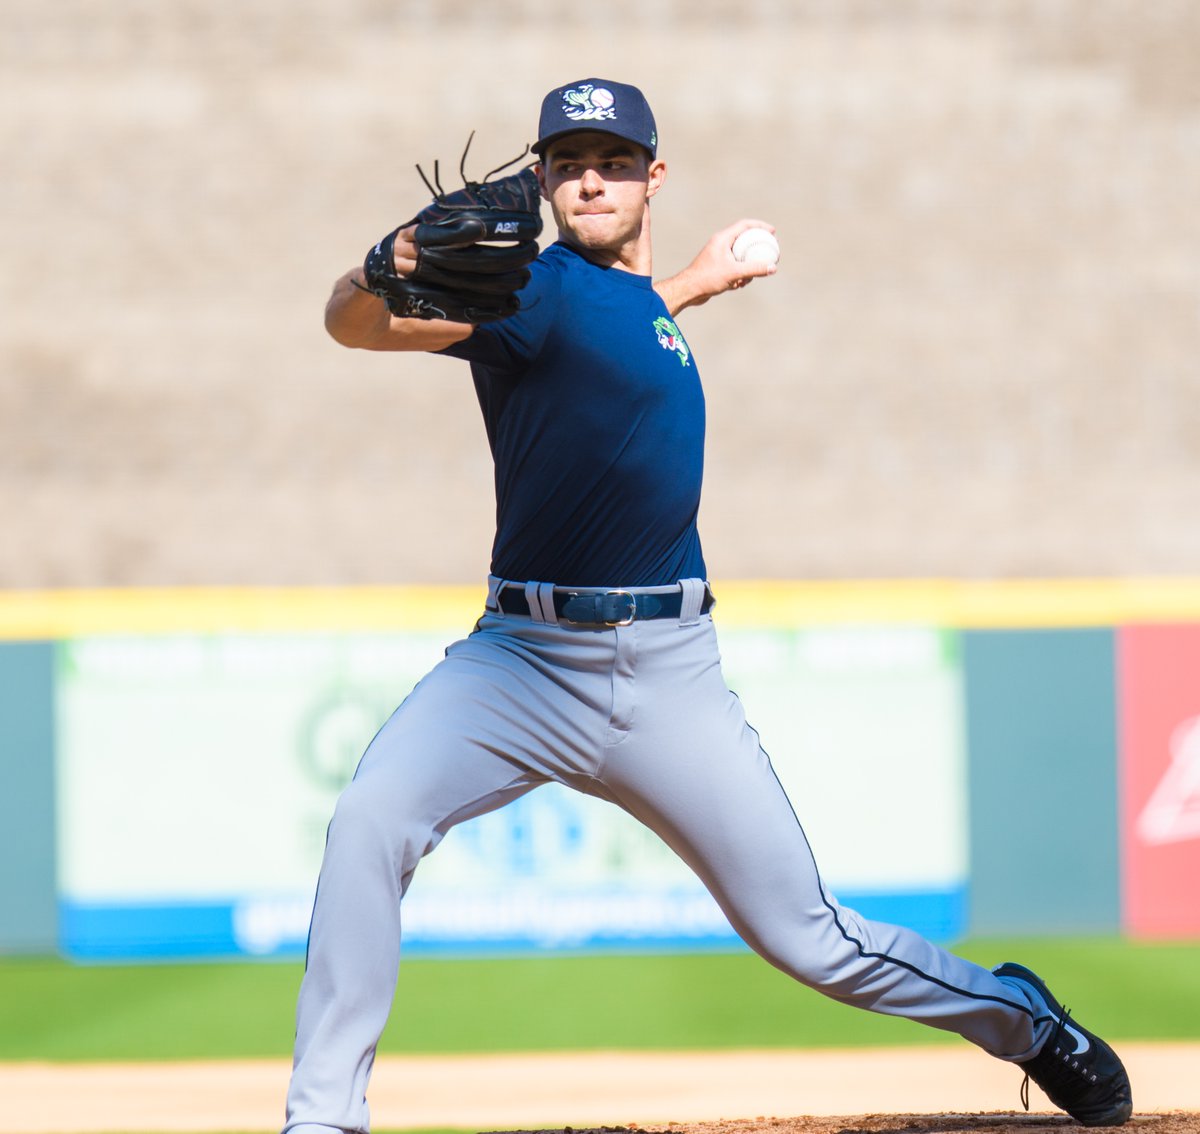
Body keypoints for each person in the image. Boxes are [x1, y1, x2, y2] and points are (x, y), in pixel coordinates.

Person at [284, 78, 1133, 1134]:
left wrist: (694, 280)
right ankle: (322, 1118)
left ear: (654, 176)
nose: (590, 180)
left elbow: (623, 323)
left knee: (811, 940)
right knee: (370, 820)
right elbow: (356, 329)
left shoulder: (641, 307)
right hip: (518, 665)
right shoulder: (523, 293)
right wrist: (376, 271)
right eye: (566, 162)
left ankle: (1025, 1020)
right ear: (540, 179)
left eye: (613, 161)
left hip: (667, 678)